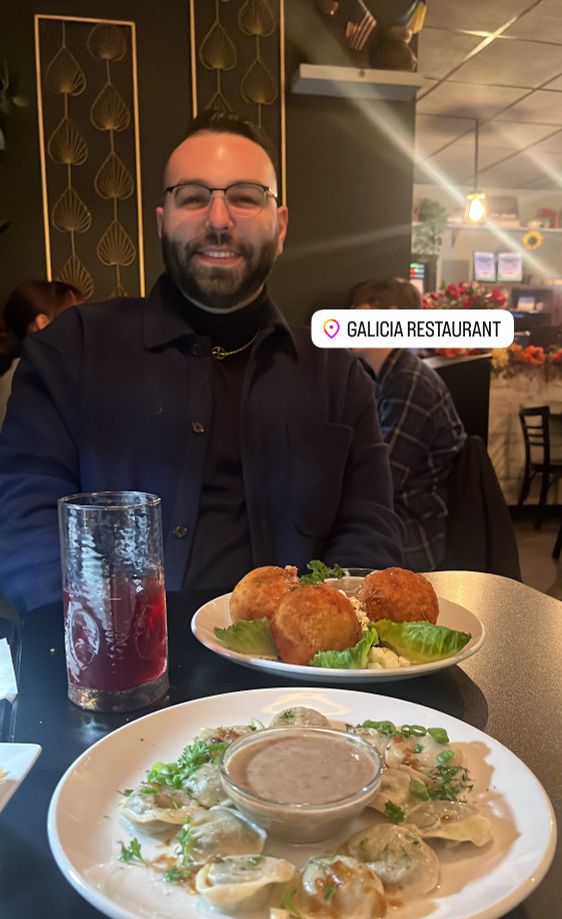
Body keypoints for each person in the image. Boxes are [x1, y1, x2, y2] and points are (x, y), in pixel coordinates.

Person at [0, 111, 403, 612]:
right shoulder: (71, 350)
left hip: (297, 660)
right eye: (192, 197)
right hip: (113, 653)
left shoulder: (338, 378)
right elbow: (23, 514)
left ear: (280, 227)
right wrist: (114, 634)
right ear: (161, 222)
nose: (218, 219)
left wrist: (314, 631)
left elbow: (369, 532)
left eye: (245, 197)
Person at [349, 276, 466, 572]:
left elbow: (381, 481)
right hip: (399, 523)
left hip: (412, 535)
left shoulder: (409, 383)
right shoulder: (390, 378)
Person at [0, 279, 82, 427]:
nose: (84, 327)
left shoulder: (57, 374)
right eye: (77, 319)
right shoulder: (20, 381)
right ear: (42, 324)